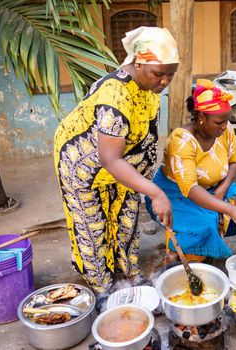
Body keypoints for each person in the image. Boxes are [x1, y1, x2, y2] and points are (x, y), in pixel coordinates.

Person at [53, 27, 178, 296]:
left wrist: (145, 178)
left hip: (126, 164)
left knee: (126, 216)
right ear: (138, 62)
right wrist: (155, 191)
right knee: (93, 223)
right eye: (159, 73)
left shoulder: (148, 87)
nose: (165, 81)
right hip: (84, 164)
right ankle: (103, 289)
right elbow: (109, 158)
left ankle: (129, 271)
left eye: (171, 73)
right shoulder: (115, 95)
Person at [146, 79, 236, 263]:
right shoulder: (181, 141)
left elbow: (234, 162)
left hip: (212, 188)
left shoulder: (224, 130)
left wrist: (221, 191)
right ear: (201, 117)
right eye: (219, 122)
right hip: (176, 194)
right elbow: (191, 189)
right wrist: (231, 209)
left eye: (227, 120)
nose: (225, 126)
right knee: (205, 224)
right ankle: (181, 251)